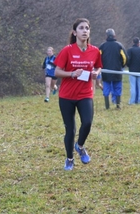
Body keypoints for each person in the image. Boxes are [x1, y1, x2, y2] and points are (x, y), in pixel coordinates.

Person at [54, 18, 102, 171]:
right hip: (67, 96)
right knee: (70, 129)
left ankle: (79, 146)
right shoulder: (67, 50)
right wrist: (72, 73)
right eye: (81, 28)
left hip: (85, 94)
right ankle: (69, 159)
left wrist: (96, 73)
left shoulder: (95, 51)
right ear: (75, 32)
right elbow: (57, 72)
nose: (85, 30)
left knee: (87, 122)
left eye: (87, 28)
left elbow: (98, 67)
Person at [99, 28, 128, 109]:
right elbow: (125, 58)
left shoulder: (102, 46)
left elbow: (98, 57)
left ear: (107, 36)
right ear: (114, 35)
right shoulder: (119, 45)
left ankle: (107, 107)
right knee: (117, 88)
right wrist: (122, 66)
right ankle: (118, 106)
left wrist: (100, 66)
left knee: (106, 88)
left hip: (106, 71)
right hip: (117, 71)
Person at [126, 37, 140, 104]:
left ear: (133, 42)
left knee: (133, 86)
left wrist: (130, 66)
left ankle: (132, 101)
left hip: (132, 70)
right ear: (138, 43)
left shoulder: (130, 50)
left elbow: (128, 60)